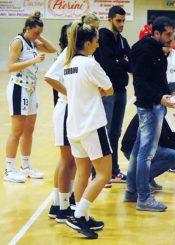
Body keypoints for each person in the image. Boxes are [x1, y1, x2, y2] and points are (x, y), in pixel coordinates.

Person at [45, 14, 101, 223]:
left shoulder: (87, 56)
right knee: (67, 160)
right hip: (66, 108)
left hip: (76, 110)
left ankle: (60, 203)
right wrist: (69, 92)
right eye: (94, 29)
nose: (97, 33)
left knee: (73, 162)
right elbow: (49, 76)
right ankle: (60, 205)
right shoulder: (69, 53)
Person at [62, 21, 113, 239]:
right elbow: (109, 89)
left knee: (83, 172)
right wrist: (98, 92)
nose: (98, 45)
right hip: (92, 125)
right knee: (104, 173)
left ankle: (80, 212)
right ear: (87, 42)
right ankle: (80, 215)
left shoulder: (69, 64)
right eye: (95, 42)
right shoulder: (90, 64)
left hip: (73, 126)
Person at [126, 16, 175, 212]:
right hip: (149, 107)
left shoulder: (157, 50)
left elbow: (159, 78)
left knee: (138, 152)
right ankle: (144, 197)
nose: (171, 38)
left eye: (172, 34)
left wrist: (167, 95)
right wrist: (159, 98)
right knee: (145, 155)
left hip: (155, 105)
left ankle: (131, 191)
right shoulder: (145, 51)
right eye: (168, 34)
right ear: (156, 33)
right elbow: (140, 84)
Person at [4, 11, 57, 183]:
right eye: (36, 32)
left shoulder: (33, 42)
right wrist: (32, 61)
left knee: (29, 129)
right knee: (17, 130)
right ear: (27, 28)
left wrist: (39, 37)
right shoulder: (17, 42)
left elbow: (53, 49)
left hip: (31, 88)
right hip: (19, 87)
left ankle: (25, 166)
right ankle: (9, 169)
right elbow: (10, 67)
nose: (38, 36)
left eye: (40, 33)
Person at [121, 82, 175, 187]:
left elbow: (172, 133)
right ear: (168, 95)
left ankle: (146, 178)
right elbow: (163, 139)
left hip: (142, 147)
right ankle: (138, 181)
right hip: (132, 149)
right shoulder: (157, 108)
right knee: (174, 155)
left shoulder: (169, 108)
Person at [94, 6, 130, 186]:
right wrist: (121, 62)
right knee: (104, 132)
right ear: (109, 20)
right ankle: (98, 171)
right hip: (107, 92)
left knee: (115, 132)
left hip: (121, 91)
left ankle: (114, 170)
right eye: (118, 21)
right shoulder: (102, 38)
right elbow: (107, 65)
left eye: (123, 21)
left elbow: (130, 64)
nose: (122, 24)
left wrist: (122, 62)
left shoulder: (123, 41)